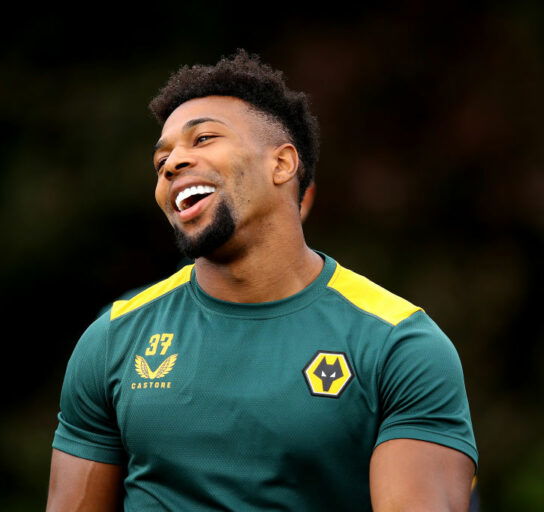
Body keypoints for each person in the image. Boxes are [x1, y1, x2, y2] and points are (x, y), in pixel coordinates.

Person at [46, 50, 477, 511]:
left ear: (283, 164)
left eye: (204, 138)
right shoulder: (114, 340)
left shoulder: (398, 344)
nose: (173, 164)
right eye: (161, 160)